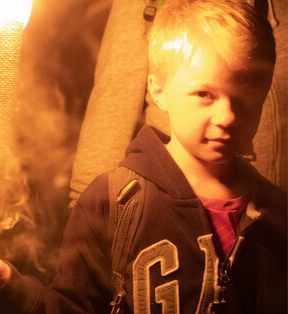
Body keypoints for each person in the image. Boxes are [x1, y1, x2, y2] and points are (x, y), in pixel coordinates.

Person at [0, 1, 287, 314]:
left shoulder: (276, 213)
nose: (228, 116)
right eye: (204, 93)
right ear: (158, 89)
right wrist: (12, 292)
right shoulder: (114, 204)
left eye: (246, 94)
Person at [69, 0, 286, 208]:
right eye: (204, 94)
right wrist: (87, 206)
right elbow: (113, 101)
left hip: (265, 218)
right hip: (167, 209)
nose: (226, 116)